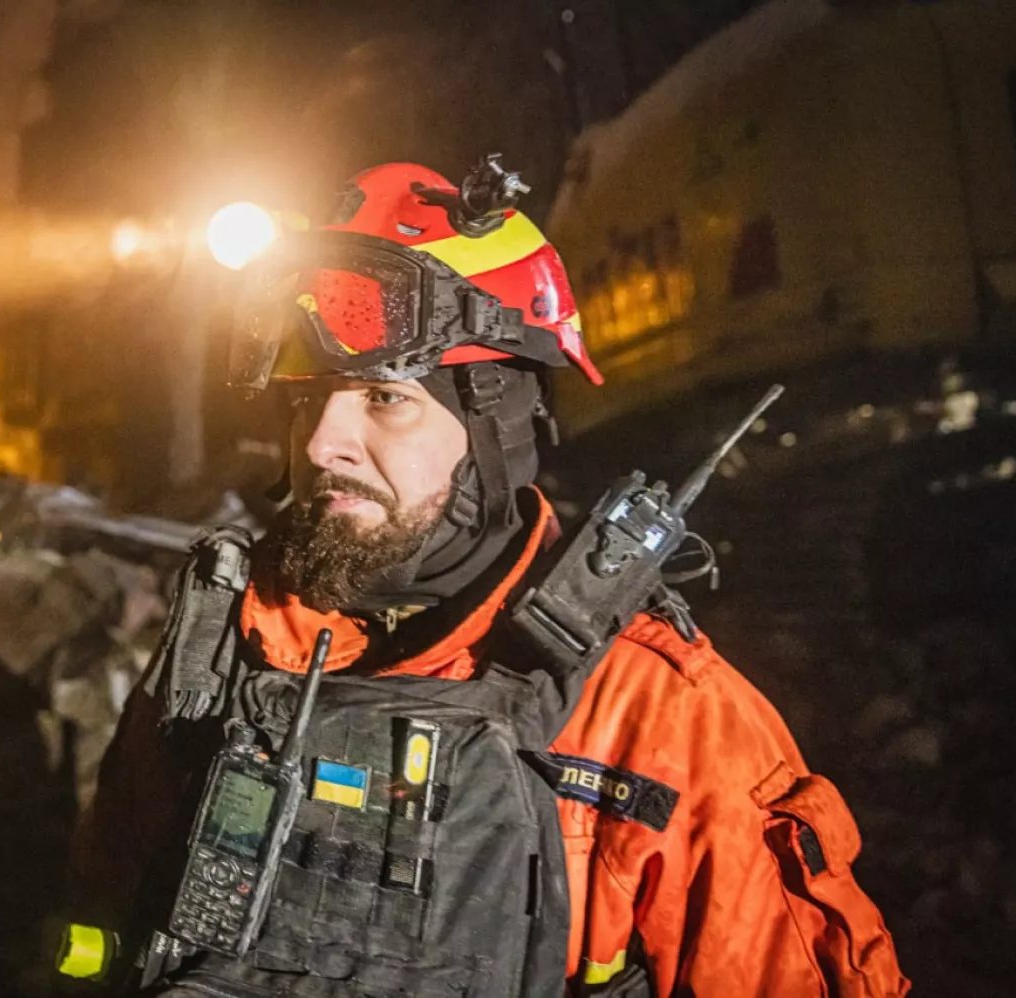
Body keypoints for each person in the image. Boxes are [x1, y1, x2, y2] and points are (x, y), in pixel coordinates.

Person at [50, 159, 908, 996]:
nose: (320, 444)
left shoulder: (654, 718)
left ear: (498, 426)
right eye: (308, 400)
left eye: (384, 398)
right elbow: (106, 920)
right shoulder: (225, 653)